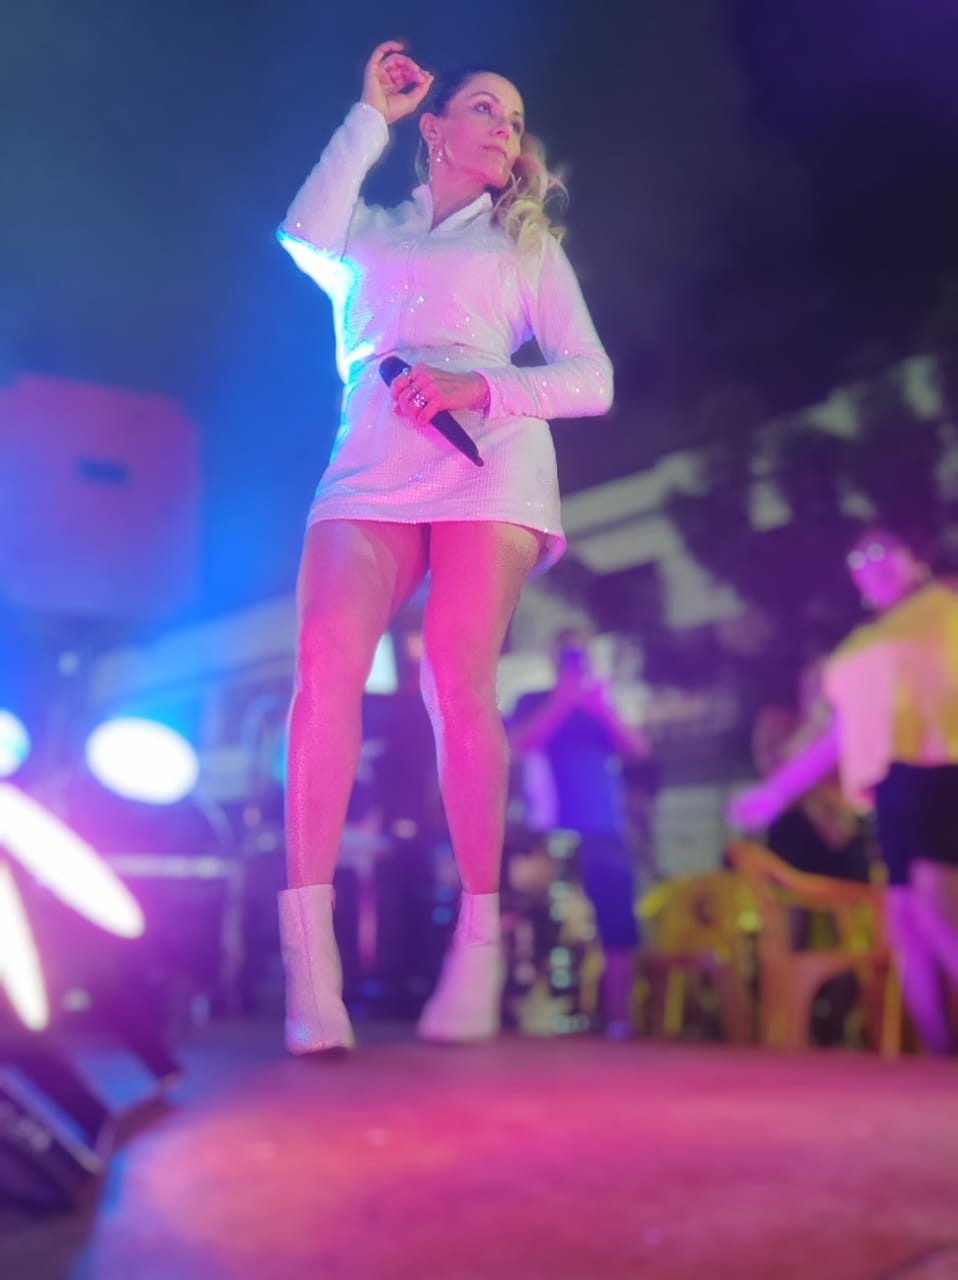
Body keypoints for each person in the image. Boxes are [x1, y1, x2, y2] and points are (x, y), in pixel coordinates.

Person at [276, 43, 614, 1053]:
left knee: (453, 681)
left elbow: (590, 378)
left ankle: (478, 942)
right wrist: (366, 118)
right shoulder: (367, 229)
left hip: (487, 455)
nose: (504, 126)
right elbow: (299, 231)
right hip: (371, 456)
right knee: (322, 663)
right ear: (434, 128)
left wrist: (482, 385)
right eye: (483, 109)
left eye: (514, 117)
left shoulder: (524, 246)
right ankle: (309, 961)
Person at [727, 527, 958, 1053]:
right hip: (894, 784)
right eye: (858, 559)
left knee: (938, 906)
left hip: (944, 772)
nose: (870, 564)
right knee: (905, 923)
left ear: (914, 558)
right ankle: (938, 1057)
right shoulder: (860, 647)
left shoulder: (946, 608)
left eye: (882, 552)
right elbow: (838, 734)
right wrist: (775, 793)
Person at [509, 629, 648, 1039]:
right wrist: (561, 702)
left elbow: (638, 749)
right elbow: (518, 744)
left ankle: (618, 1017)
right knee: (546, 924)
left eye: (580, 653)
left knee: (617, 924)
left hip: (605, 830)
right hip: (550, 832)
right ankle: (542, 1011)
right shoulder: (534, 701)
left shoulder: (600, 705)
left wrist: (601, 708)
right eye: (567, 653)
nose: (574, 660)